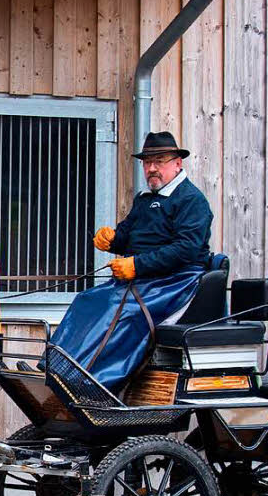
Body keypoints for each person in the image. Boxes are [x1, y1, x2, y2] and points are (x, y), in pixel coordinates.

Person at [45, 131, 213, 391]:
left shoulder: (192, 201)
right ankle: (57, 368)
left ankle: (94, 382)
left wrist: (136, 265)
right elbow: (126, 236)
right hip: (143, 281)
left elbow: (186, 250)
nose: (152, 168)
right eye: (147, 162)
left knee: (117, 308)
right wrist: (110, 240)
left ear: (178, 163)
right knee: (87, 299)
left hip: (176, 282)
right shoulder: (145, 201)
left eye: (159, 161)